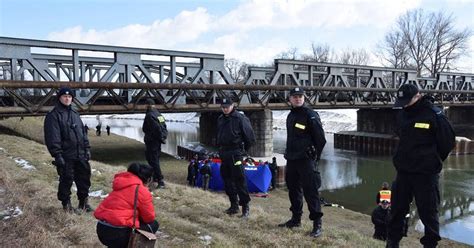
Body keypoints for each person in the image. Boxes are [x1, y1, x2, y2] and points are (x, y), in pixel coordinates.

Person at [386, 84, 455, 248]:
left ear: (418, 96)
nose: (403, 104)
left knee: (429, 214)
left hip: (425, 175)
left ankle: (430, 245)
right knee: (396, 211)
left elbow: (447, 143)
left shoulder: (434, 114)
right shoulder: (403, 114)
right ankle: (392, 243)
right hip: (403, 173)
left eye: (406, 101)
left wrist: (431, 161)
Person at [278, 87, 326, 238]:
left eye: (300, 96)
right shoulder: (290, 116)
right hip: (292, 159)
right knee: (293, 190)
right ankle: (295, 219)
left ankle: (317, 224)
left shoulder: (310, 115)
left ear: (304, 98)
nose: (298, 99)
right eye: (295, 96)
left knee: (311, 192)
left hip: (306, 160)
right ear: (290, 99)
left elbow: (321, 139)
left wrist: (315, 156)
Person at [44, 87, 93, 212]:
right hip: (66, 155)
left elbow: (83, 133)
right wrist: (57, 155)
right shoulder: (53, 116)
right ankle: (67, 205)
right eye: (65, 96)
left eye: (70, 97)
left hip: (80, 154)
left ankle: (83, 203)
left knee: (84, 179)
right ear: (60, 98)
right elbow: (53, 137)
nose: (67, 99)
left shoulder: (75, 114)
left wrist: (87, 148)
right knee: (66, 180)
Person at [94, 163, 159, 248]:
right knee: (153, 224)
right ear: (148, 179)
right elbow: (149, 218)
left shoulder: (119, 184)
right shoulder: (141, 190)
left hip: (102, 229)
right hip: (119, 233)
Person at [217, 98, 256, 218]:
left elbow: (250, 138)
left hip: (236, 153)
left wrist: (242, 151)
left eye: (227, 106)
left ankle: (245, 208)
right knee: (227, 180)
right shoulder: (220, 119)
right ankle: (233, 205)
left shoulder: (240, 118)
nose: (225, 109)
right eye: (223, 107)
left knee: (240, 180)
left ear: (233, 105)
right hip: (224, 153)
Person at [142, 99, 168, 189]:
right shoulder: (158, 114)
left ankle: (160, 181)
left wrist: (160, 137)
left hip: (152, 141)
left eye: (145, 105)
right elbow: (164, 126)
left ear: (147, 105)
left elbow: (156, 128)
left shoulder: (149, 115)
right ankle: (155, 178)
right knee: (155, 159)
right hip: (157, 141)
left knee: (153, 160)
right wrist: (163, 137)